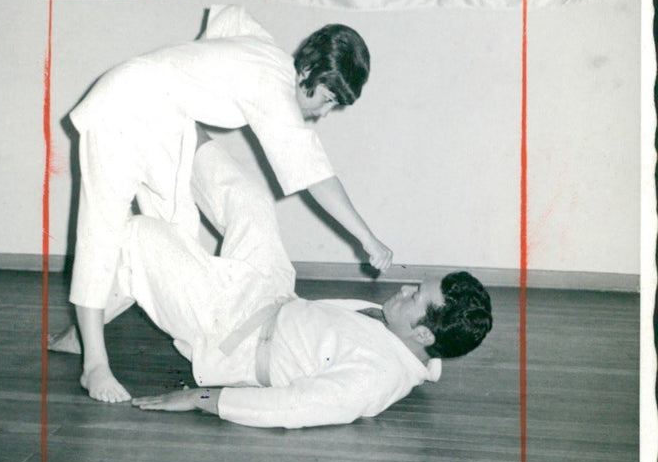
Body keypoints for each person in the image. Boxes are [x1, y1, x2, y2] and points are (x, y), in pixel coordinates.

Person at [63, 4, 394, 403]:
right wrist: (368, 239)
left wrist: (193, 79)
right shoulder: (277, 90)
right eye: (326, 99)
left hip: (164, 117)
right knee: (105, 227)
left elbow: (230, 16)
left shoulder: (267, 50)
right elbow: (317, 179)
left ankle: (81, 331)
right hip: (122, 104)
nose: (322, 113)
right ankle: (94, 364)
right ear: (307, 72)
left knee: (170, 239)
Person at [53, 138, 493, 428]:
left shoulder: (375, 378)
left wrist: (204, 399)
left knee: (139, 236)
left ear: (423, 332)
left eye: (415, 296)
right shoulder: (409, 344)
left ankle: (88, 335)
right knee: (251, 201)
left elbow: (295, 407)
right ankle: (179, 127)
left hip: (228, 331)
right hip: (271, 293)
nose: (403, 290)